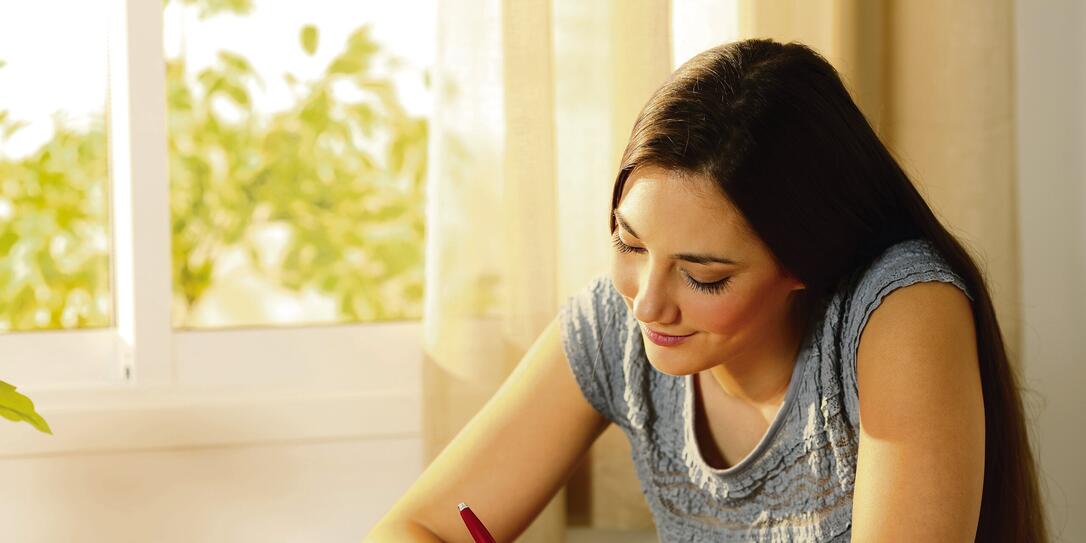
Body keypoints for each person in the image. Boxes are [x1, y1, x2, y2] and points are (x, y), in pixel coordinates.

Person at [366, 39, 1047, 542]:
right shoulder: (622, 325)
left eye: (704, 276)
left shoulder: (899, 310)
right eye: (628, 243)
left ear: (807, 255)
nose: (647, 302)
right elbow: (418, 524)